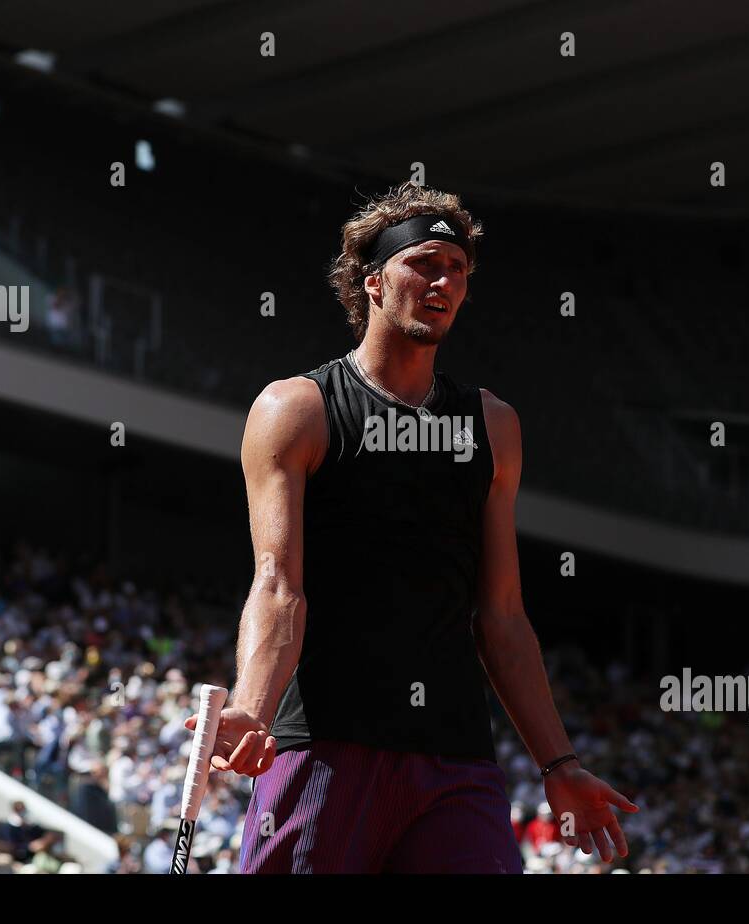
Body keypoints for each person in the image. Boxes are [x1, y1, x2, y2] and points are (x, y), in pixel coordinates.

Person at [185, 182, 637, 873]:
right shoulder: (296, 409)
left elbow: (503, 614)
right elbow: (278, 585)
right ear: (373, 281)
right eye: (424, 263)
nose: (444, 281)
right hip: (325, 746)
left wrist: (559, 762)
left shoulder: (493, 425)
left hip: (455, 762)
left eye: (457, 270)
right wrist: (251, 706)